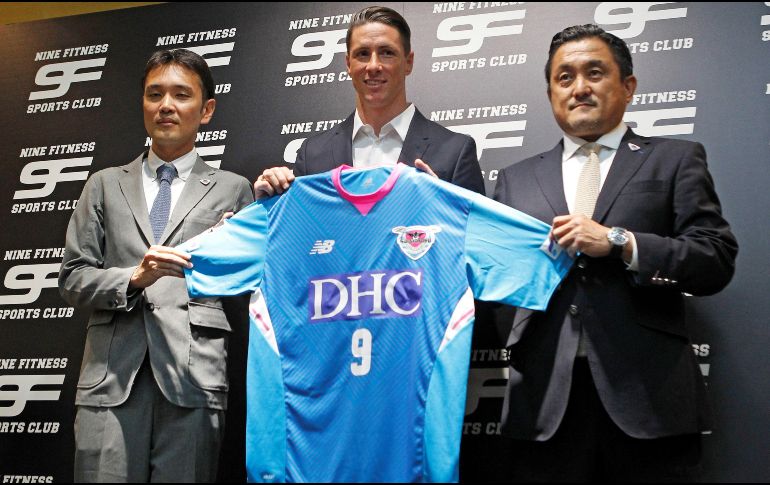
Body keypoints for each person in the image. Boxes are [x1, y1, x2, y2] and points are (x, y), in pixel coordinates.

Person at [492, 24, 738, 481]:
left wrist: (621, 242)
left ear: (627, 87)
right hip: (544, 406)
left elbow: (715, 259)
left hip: (649, 403)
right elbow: (494, 279)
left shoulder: (675, 159)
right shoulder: (514, 179)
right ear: (550, 93)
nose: (579, 88)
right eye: (564, 78)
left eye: (594, 73)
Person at [58, 48, 254, 482]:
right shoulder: (104, 185)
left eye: (181, 95)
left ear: (206, 110)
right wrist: (133, 277)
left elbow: (249, 285)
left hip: (194, 376)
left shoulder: (233, 190)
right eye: (154, 94)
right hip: (110, 380)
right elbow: (72, 277)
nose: (166, 105)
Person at [254, 5, 485, 197]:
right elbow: (296, 236)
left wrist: (443, 206)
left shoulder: (454, 152)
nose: (373, 66)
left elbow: (477, 241)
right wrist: (268, 205)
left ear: (408, 62)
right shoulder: (313, 153)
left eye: (387, 52)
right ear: (348, 64)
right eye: (362, 54)